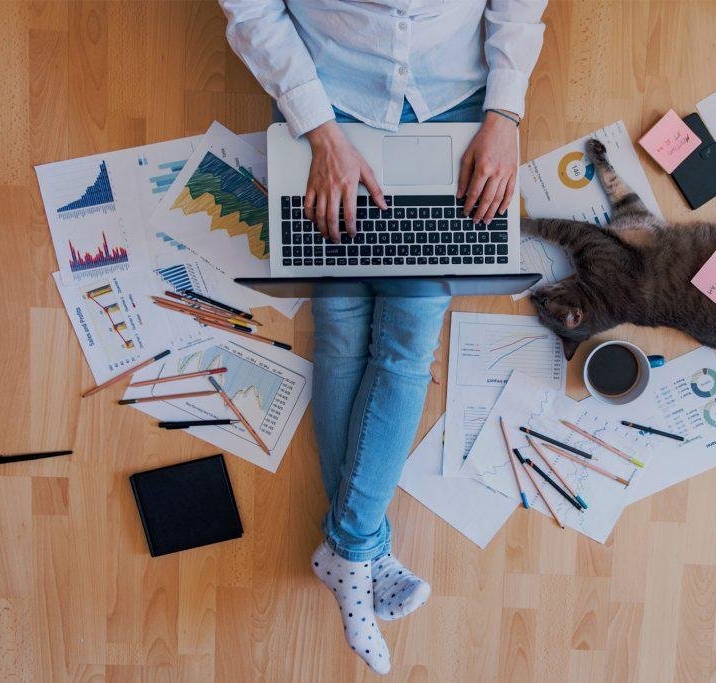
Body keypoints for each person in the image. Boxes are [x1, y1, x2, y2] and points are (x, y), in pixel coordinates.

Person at [221, 0, 547, 674]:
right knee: (338, 325)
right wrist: (320, 133)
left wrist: (505, 113)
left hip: (455, 100)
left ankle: (348, 544)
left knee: (405, 342)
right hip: (328, 100)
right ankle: (360, 547)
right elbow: (251, 11)